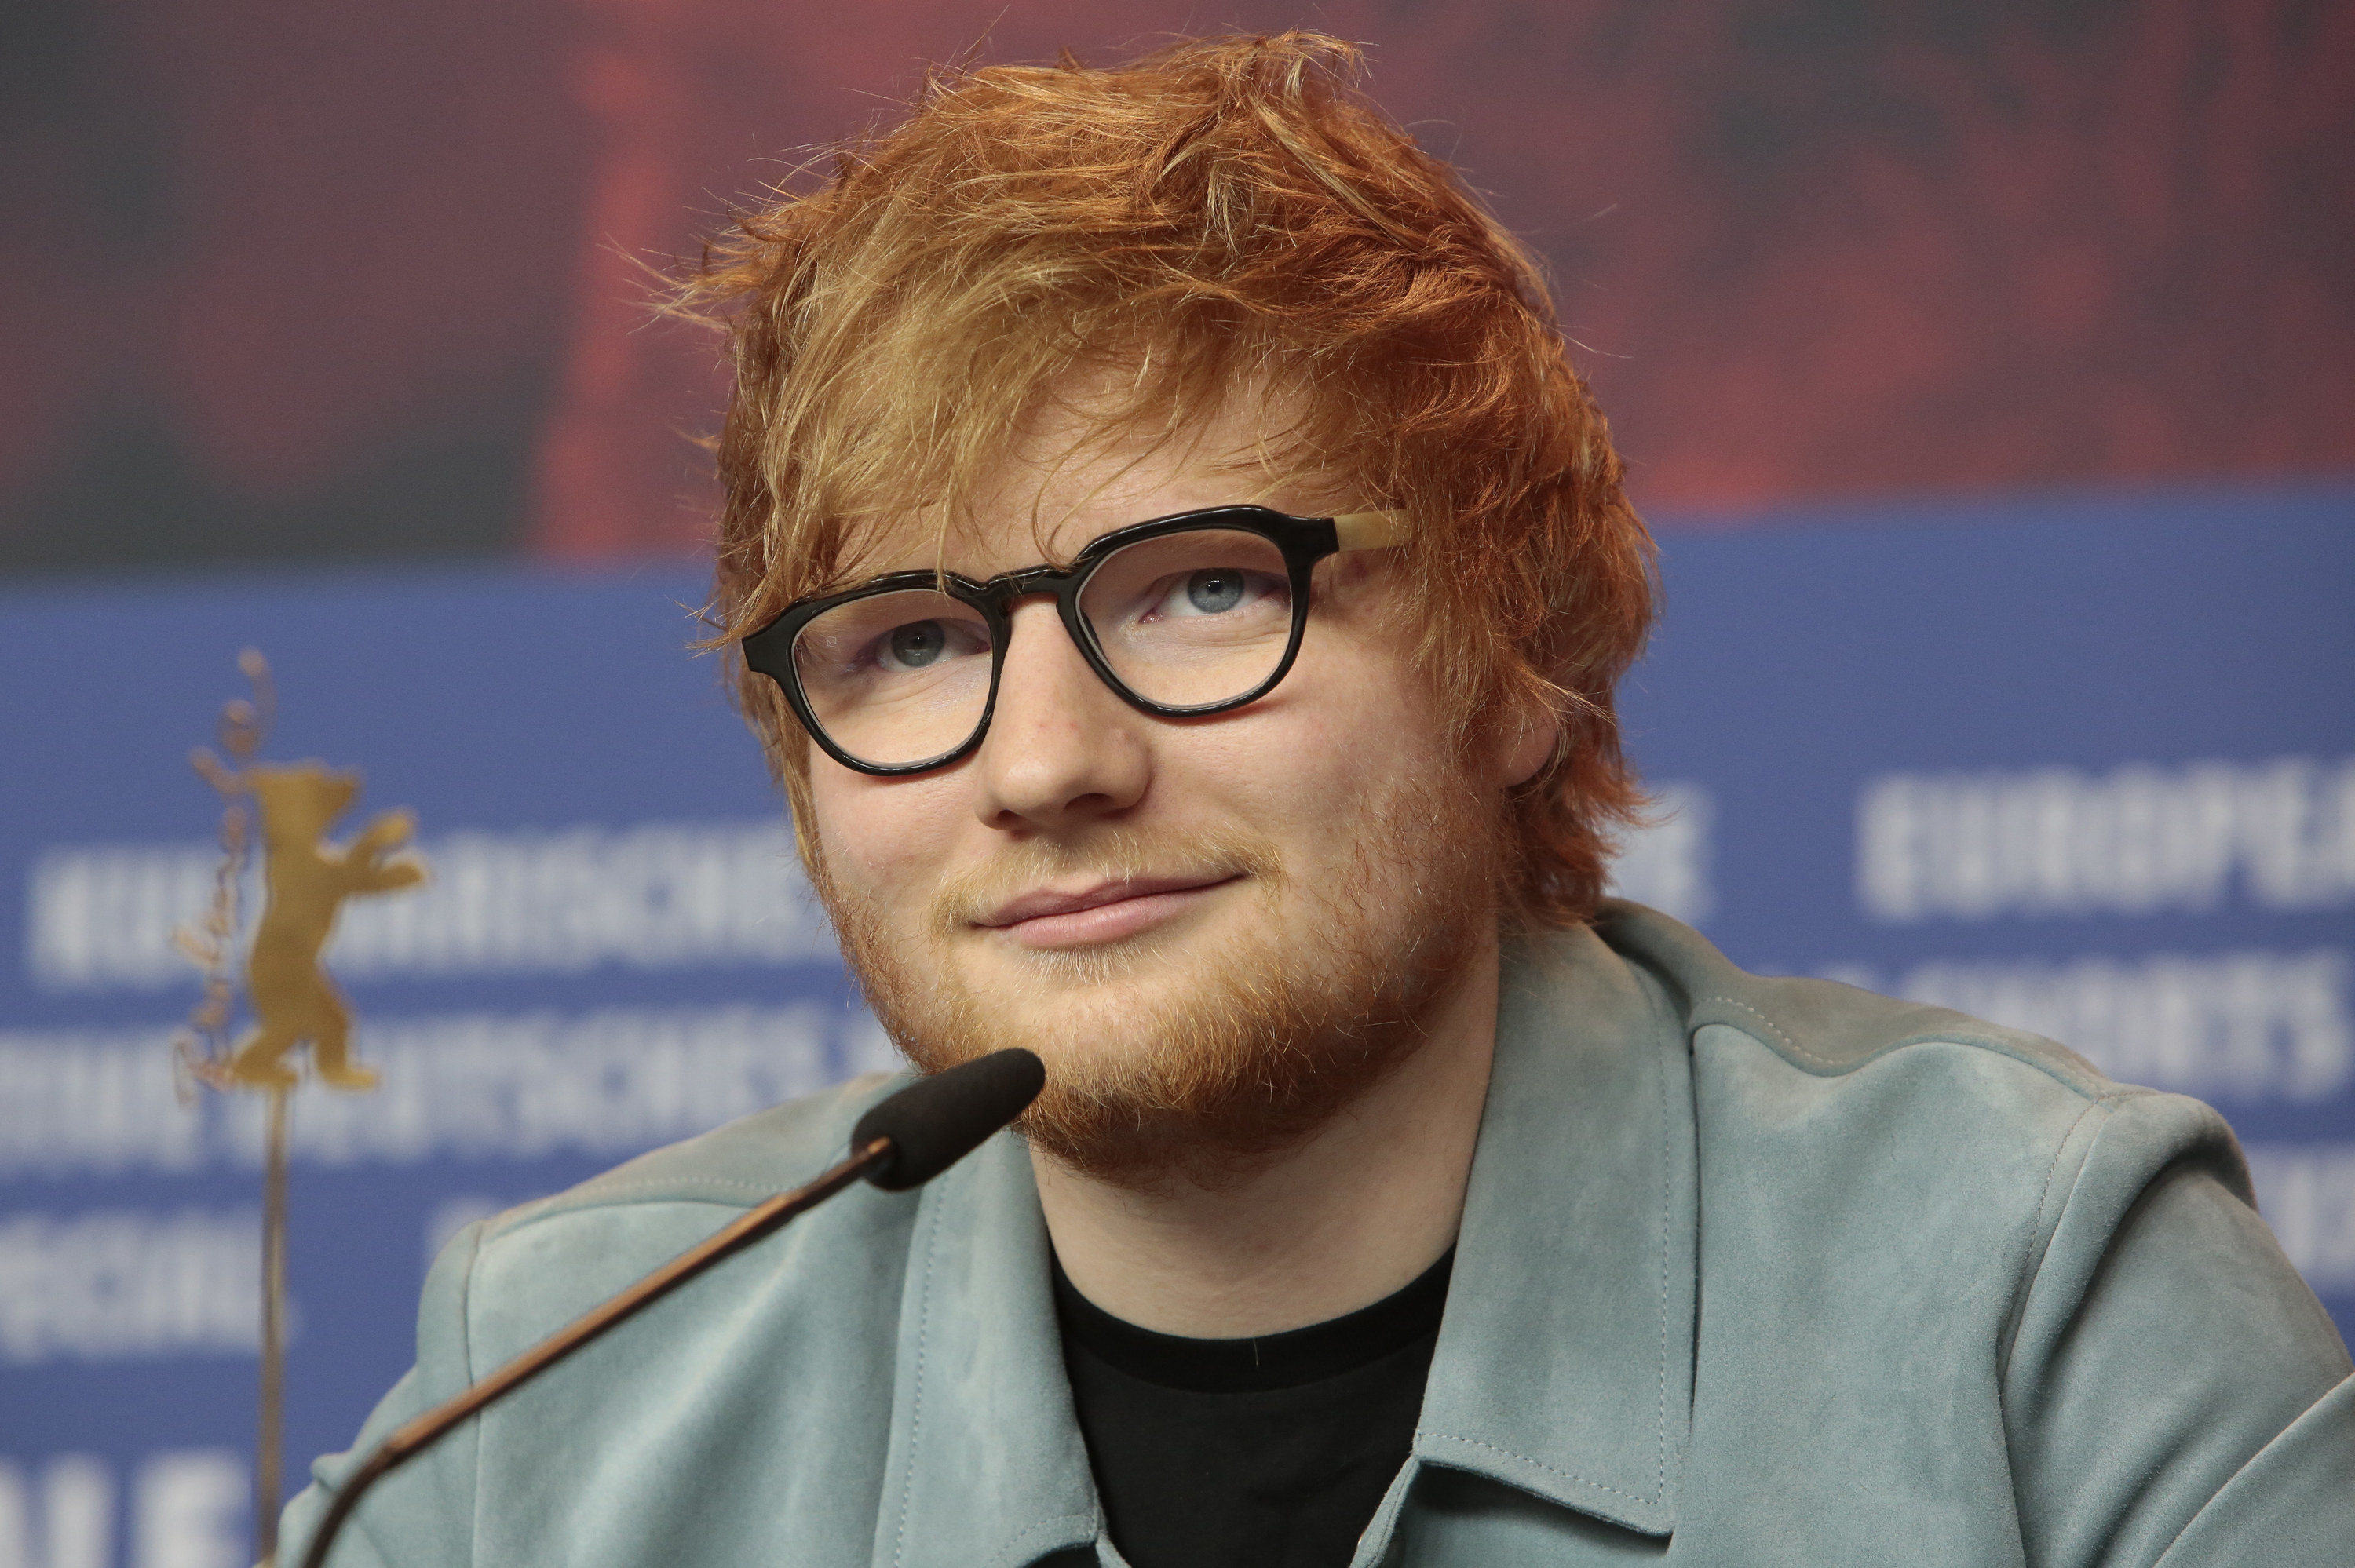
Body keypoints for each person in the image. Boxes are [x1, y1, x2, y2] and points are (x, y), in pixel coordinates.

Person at [283, 33, 2353, 1568]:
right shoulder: (541, 1410)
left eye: (1201, 589)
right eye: (909, 641)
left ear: (1523, 659)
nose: (1046, 765)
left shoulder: (2034, 1298)